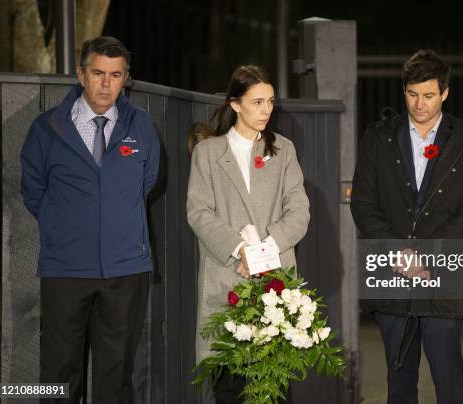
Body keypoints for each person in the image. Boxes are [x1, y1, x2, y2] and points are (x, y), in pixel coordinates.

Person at [20, 36, 160, 403]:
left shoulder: (141, 126)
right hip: (65, 269)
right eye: (98, 73)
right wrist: (64, 226)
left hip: (125, 269)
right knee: (56, 373)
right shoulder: (47, 128)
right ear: (81, 74)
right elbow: (33, 191)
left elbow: (147, 182)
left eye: (115, 75)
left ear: (125, 77)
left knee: (117, 376)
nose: (106, 84)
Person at [351, 49, 463, 404]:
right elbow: (364, 205)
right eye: (412, 94)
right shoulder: (378, 137)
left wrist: (428, 256)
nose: (419, 104)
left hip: (442, 279)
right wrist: (397, 251)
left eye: (429, 95)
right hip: (393, 279)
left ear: (444, 92)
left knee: (449, 383)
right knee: (398, 384)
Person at [186, 65, 310, 403]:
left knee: (275, 390)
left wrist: (261, 252)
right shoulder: (208, 153)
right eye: (257, 102)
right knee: (229, 388)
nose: (266, 110)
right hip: (226, 283)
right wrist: (239, 248)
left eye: (270, 102)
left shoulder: (283, 150)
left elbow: (299, 212)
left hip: (276, 289)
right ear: (235, 104)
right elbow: (198, 213)